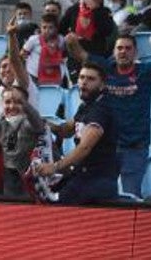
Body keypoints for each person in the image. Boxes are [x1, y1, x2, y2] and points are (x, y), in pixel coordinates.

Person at [65, 33, 151, 197]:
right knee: (98, 195)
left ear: (135, 52)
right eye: (119, 48)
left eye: (128, 48)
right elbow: (79, 54)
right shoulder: (105, 68)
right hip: (107, 148)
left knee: (130, 195)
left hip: (135, 147)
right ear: (114, 51)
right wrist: (71, 41)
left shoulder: (144, 71)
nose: (123, 52)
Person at [35, 62, 116, 203]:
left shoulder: (101, 109)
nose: (84, 82)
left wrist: (54, 167)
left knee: (57, 207)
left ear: (102, 85)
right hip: (82, 175)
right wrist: (43, 123)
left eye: (91, 79)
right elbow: (66, 131)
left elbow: (85, 147)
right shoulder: (86, 106)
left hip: (96, 180)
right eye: (82, 77)